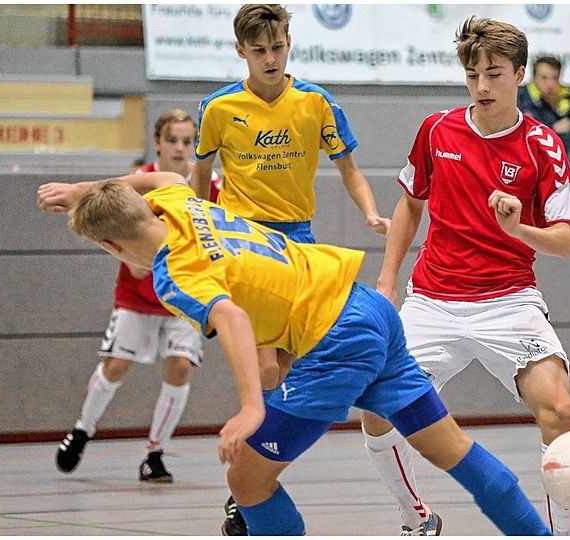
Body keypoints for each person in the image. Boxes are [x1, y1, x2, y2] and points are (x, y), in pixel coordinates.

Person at [36, 171, 553, 537]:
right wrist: (86, 190)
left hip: (335, 344)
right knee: (451, 451)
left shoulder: (175, 275)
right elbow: (163, 176)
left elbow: (233, 320)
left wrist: (251, 407)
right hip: (367, 308)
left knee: (245, 476)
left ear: (110, 246)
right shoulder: (179, 203)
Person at [358, 17, 570, 536]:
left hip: (510, 302)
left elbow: (567, 242)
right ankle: (415, 517)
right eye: (473, 74)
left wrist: (519, 226)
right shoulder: (438, 130)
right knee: (374, 403)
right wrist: (389, 282)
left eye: (495, 74)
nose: (482, 86)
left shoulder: (542, 145)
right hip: (433, 301)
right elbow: (410, 205)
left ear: (520, 74)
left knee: (561, 412)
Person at [191, 5, 390, 533]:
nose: (271, 58)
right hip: (244, 242)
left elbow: (349, 168)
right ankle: (247, 486)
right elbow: (200, 175)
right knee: (266, 369)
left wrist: (370, 211)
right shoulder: (218, 108)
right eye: (259, 51)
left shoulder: (316, 102)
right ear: (241, 52)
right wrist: (198, 232)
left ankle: (253, 477)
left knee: (285, 366)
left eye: (278, 47)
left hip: (298, 241)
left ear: (288, 43)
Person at [55, 109, 221, 482]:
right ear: (158, 143)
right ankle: (83, 429)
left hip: (185, 295)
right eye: (173, 140)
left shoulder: (210, 183)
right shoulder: (140, 182)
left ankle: (155, 452)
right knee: (116, 365)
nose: (180, 149)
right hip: (139, 292)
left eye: (187, 141)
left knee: (180, 366)